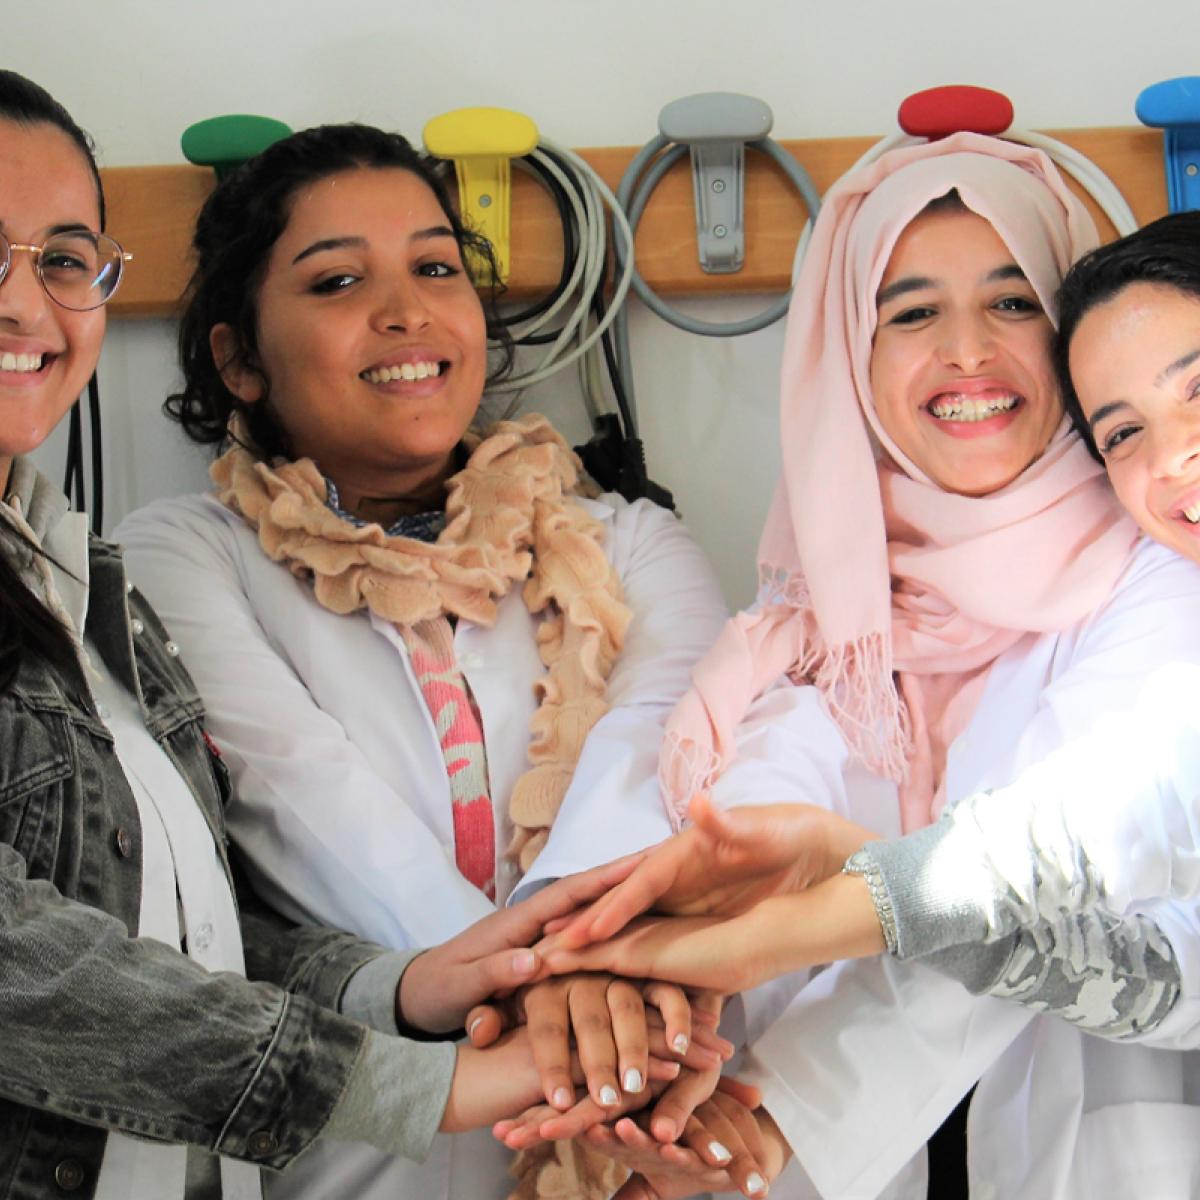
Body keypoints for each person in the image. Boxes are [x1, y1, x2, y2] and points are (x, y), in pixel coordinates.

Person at [0, 68, 731, 1200]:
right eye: (338, 281)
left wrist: (539, 990)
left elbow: (661, 764)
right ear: (241, 358)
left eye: (437, 268)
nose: (407, 312)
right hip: (362, 1157)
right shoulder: (169, 559)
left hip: (617, 1133)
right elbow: (304, 804)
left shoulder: (626, 543)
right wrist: (555, 1009)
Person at [536, 136, 1200, 1200]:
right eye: (910, 311)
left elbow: (1055, 854)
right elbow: (731, 809)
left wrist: (784, 1102)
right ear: (844, 349)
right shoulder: (818, 604)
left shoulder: (1162, 570)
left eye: (1016, 302)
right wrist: (618, 967)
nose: (967, 351)